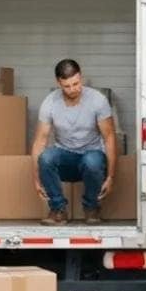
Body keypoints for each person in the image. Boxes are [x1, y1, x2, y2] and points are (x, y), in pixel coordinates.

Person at [32, 59, 116, 226]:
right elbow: (39, 142)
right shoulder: (50, 102)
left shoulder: (97, 100)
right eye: (67, 86)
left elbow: (109, 138)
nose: (72, 90)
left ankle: (92, 208)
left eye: (76, 84)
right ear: (58, 83)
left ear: (81, 77)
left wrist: (111, 176)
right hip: (65, 158)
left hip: (92, 159)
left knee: (92, 161)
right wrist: (36, 179)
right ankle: (58, 210)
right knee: (46, 157)